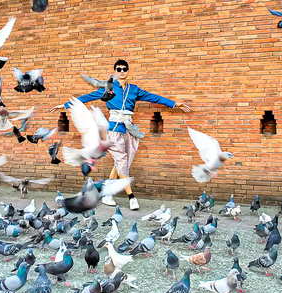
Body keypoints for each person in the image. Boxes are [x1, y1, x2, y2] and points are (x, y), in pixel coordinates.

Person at [51, 59, 190, 210]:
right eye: (119, 69)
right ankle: (132, 197)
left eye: (124, 69)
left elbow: (153, 97)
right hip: (114, 130)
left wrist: (174, 104)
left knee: (123, 163)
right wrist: (65, 105)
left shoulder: (134, 89)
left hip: (129, 131)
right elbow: (87, 97)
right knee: (122, 162)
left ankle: (107, 195)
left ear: (128, 71)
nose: (122, 71)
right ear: (115, 71)